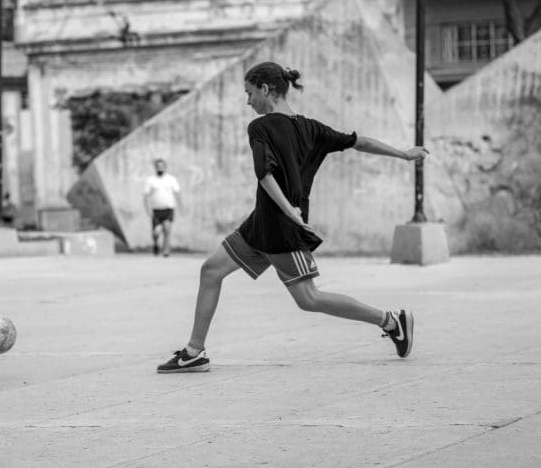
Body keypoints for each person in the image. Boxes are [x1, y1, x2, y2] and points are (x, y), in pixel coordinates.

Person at [157, 62, 428, 374]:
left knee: (309, 298)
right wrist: (403, 153)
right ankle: (194, 351)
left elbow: (264, 174)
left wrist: (289, 211)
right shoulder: (313, 128)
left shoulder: (262, 128)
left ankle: (392, 321)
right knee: (211, 271)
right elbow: (359, 142)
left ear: (265, 89)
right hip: (261, 224)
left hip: (284, 229)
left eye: (249, 93)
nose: (248, 102)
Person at [143, 158, 182, 256]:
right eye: (158, 166)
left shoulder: (171, 179)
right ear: (155, 167)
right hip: (156, 210)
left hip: (168, 208)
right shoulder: (151, 180)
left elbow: (177, 193)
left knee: (167, 228)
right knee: (156, 232)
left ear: (165, 167)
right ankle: (156, 244)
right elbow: (146, 196)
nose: (160, 168)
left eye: (162, 166)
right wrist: (148, 209)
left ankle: (166, 250)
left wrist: (181, 205)